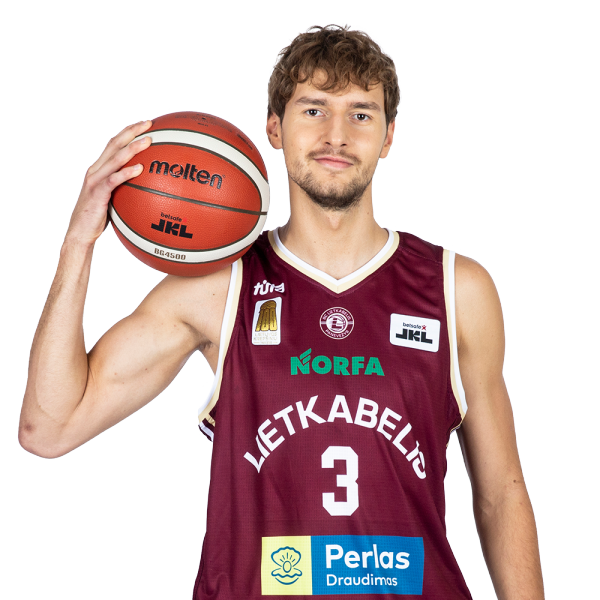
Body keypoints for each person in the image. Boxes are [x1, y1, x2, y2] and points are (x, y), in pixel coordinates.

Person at [19, 24, 544, 599]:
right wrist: (78, 243)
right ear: (274, 126)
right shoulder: (220, 288)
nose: (336, 135)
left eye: (361, 114)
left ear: (389, 136)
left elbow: (501, 493)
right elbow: (50, 427)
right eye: (313, 110)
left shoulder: (455, 288)